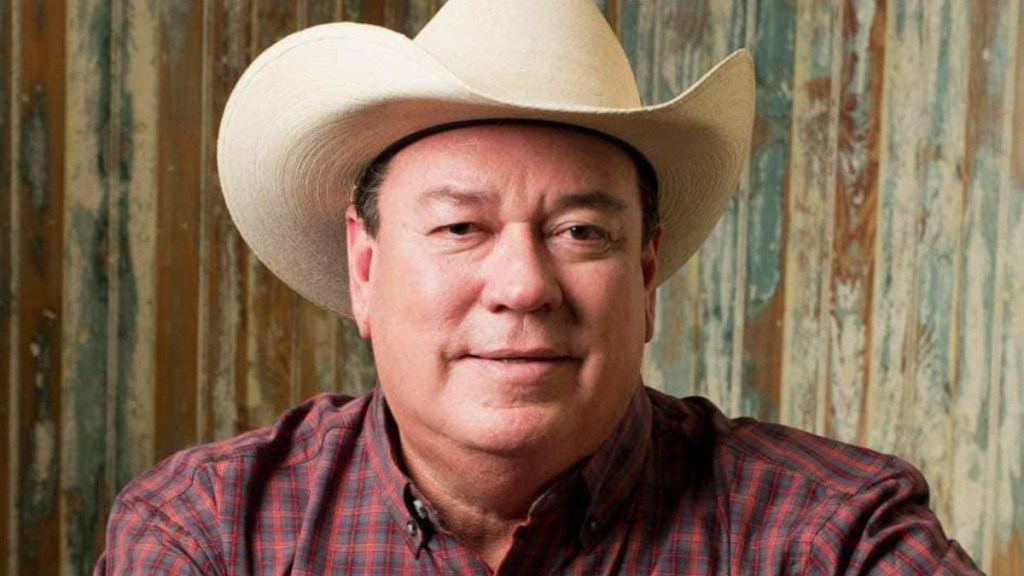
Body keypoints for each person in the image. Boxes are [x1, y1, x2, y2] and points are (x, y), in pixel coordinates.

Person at [95, 0, 981, 574]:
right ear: (365, 268)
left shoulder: (834, 538)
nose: (523, 287)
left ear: (646, 276)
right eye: (460, 228)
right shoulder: (211, 535)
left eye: (581, 232)